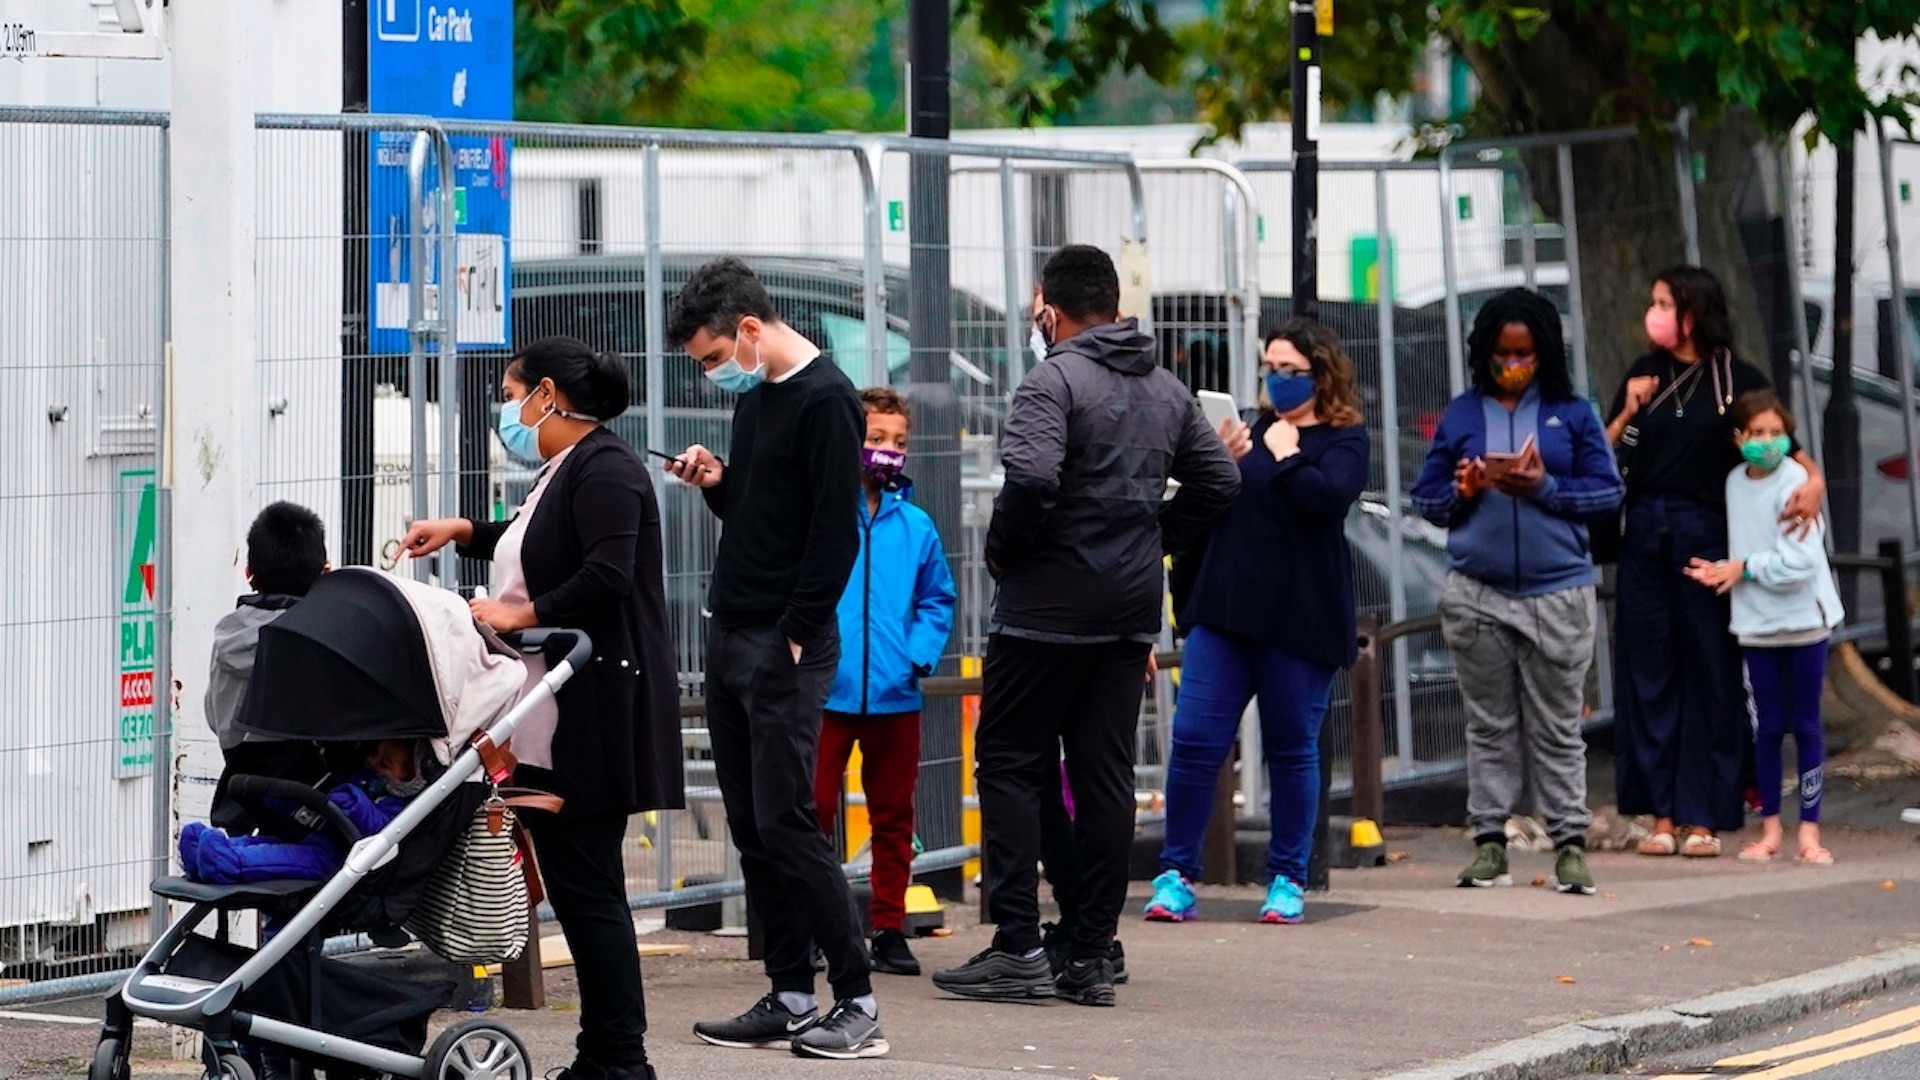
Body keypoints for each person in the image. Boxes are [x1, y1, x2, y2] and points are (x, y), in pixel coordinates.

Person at [931, 244, 1239, 1006]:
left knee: (1008, 761)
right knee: (1102, 774)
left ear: (1052, 309)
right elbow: (1221, 481)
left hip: (1045, 608)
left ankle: (1016, 944)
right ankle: (1092, 950)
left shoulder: (1053, 379)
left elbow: (1032, 479)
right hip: (1128, 609)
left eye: (1039, 306)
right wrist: (1152, 538)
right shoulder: (1166, 388)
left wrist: (1006, 551)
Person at [400, 336, 684, 1080]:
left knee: (590, 891)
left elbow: (605, 574)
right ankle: (608, 1055)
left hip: (593, 713)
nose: (509, 409)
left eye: (511, 392)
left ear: (548, 394)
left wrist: (520, 618)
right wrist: (464, 532)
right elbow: (538, 546)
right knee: (584, 889)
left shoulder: (608, 471)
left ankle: (619, 1059)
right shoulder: (568, 469)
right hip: (556, 709)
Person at [664, 257, 885, 1061]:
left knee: (790, 821)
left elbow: (834, 532)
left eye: (714, 358)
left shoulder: (828, 401)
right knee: (754, 823)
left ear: (750, 330)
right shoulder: (758, 400)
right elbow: (760, 505)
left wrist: (794, 630)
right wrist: (718, 483)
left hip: (782, 641)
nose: (715, 374)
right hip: (735, 628)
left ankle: (856, 1000)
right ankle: (791, 990)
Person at [1142, 319, 1369, 926]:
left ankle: (1288, 878)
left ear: (1322, 375)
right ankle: (1175, 874)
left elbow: (1327, 500)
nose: (1277, 379)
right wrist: (1220, 459)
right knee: (1195, 740)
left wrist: (1290, 459)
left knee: (1292, 748)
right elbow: (1201, 500)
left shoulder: (1345, 440)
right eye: (1271, 366)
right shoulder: (1248, 428)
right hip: (1227, 608)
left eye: (1291, 370)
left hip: (1301, 620)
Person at [1605, 266, 1826, 859]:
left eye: (1662, 303)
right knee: (1649, 671)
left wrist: (1815, 481)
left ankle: (1705, 813)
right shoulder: (1642, 373)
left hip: (1706, 529)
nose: (1652, 313)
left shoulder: (1735, 377)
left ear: (1692, 312)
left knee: (1709, 671)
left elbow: (1784, 444)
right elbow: (1604, 455)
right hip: (1645, 533)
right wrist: (1627, 411)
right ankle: (1661, 814)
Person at [1408, 289, 1624, 894]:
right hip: (1478, 592)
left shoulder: (1574, 414)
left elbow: (1607, 494)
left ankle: (1570, 845)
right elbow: (1427, 502)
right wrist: (1465, 490)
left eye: (1524, 353)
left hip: (1559, 591)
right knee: (1489, 725)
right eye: (1502, 353)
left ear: (1544, 352)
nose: (1512, 364)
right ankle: (1489, 843)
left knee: (1558, 726)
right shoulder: (1462, 415)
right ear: (1485, 353)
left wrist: (1545, 488)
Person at [812, 386, 957, 979]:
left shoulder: (917, 526)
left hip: (896, 693)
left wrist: (916, 657)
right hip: (827, 689)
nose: (888, 450)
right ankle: (817, 929)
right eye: (876, 438)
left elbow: (936, 599)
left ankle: (890, 928)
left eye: (899, 441)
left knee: (894, 816)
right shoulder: (823, 512)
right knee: (814, 810)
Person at [1684, 390, 1843, 865]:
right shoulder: (1734, 483)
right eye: (1757, 433)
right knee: (1768, 728)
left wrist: (1743, 568)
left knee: (1806, 726)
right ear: (1738, 438)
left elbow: (1799, 562)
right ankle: (1771, 830)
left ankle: (1810, 833)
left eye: (1777, 433)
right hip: (1756, 625)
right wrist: (1724, 571)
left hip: (1804, 624)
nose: (1767, 442)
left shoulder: (1798, 481)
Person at [206, 502, 330, 833]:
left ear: (249, 573)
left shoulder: (226, 638)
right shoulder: (322, 639)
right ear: (325, 571)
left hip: (239, 801)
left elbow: (213, 715)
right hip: (314, 804)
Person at [179, 740, 426, 883]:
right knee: (273, 843)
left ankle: (229, 863)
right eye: (374, 753)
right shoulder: (364, 775)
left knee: (280, 859)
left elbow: (381, 830)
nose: (373, 762)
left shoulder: (403, 807)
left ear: (411, 775)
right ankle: (208, 850)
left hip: (337, 860)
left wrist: (354, 804)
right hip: (315, 835)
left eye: (384, 762)